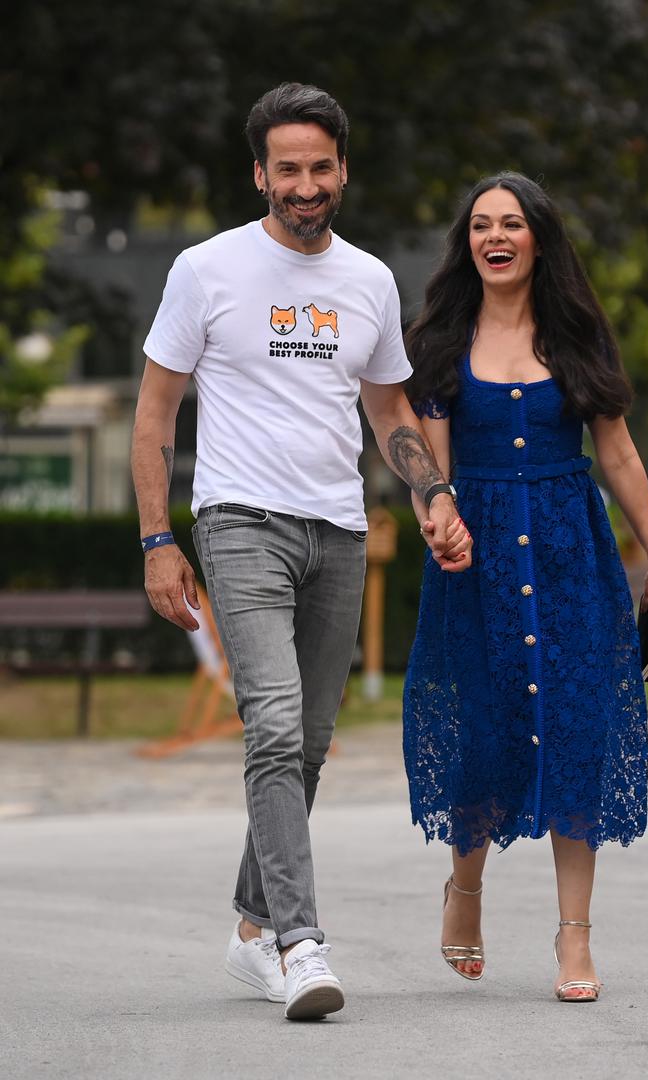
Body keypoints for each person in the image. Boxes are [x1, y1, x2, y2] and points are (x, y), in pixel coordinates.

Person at [131, 82, 471, 1022]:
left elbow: (389, 408)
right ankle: (299, 943)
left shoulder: (368, 281)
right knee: (274, 726)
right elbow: (155, 413)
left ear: (343, 170)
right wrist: (158, 539)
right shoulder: (206, 270)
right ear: (260, 175)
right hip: (240, 521)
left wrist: (433, 493)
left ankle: (250, 928)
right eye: (288, 169)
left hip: (339, 527)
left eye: (321, 167)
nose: (306, 185)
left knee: (310, 742)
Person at [402, 172, 648, 1001]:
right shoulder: (442, 341)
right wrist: (439, 519)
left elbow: (619, 453)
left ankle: (575, 938)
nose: (495, 236)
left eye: (512, 223)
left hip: (571, 558)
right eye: (481, 224)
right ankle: (465, 890)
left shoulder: (575, 334)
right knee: (485, 733)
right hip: (478, 565)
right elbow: (432, 471)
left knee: (576, 730)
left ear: (538, 239)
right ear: (467, 244)